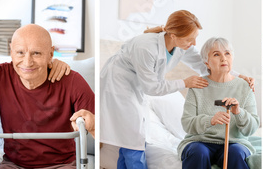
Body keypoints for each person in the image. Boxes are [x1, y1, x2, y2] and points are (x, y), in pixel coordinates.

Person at [99, 9, 253, 169]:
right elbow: (152, 88)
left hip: (136, 86)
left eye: (195, 38)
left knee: (131, 137)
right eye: (189, 39)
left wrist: (240, 76)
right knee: (134, 137)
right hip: (117, 85)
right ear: (173, 35)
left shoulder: (181, 46)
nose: (193, 43)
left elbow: (204, 66)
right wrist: (184, 83)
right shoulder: (145, 47)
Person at [0, 24, 95, 168]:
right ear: (11, 52)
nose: (27, 62)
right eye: (20, 53)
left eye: (36, 53)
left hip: (62, 165)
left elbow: (101, 138)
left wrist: (93, 125)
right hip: (13, 165)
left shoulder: (72, 81)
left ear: (50, 54)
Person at [178, 37, 260, 169]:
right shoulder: (197, 85)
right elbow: (187, 123)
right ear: (206, 62)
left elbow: (253, 128)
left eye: (227, 53)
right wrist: (210, 121)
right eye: (216, 54)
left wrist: (239, 113)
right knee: (198, 152)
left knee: (236, 153)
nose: (223, 58)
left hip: (234, 143)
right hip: (200, 142)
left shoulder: (245, 87)